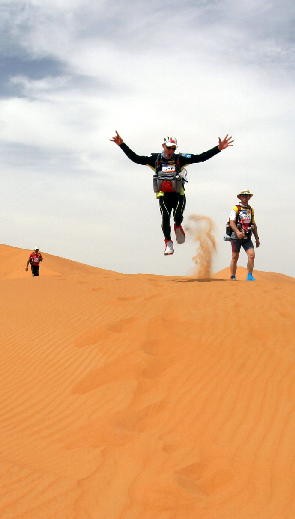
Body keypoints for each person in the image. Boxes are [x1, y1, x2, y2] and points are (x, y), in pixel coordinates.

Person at [111, 131, 234, 255]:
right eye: (169, 147)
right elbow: (136, 158)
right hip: (163, 195)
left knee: (177, 215)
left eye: (173, 148)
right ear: (163, 146)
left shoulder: (180, 158)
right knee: (165, 215)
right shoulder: (155, 159)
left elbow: (200, 157)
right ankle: (168, 242)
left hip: (178, 194)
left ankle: (178, 226)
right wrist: (122, 145)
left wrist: (218, 148)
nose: (171, 150)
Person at [227, 190, 260, 281]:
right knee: (235, 257)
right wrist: (237, 232)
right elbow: (231, 223)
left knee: (251, 255)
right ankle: (233, 275)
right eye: (243, 196)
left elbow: (253, 225)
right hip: (236, 237)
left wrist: (257, 238)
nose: (245, 197)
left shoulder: (251, 209)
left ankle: (249, 275)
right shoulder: (235, 208)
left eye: (247, 196)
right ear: (240, 197)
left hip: (247, 237)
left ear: (249, 197)